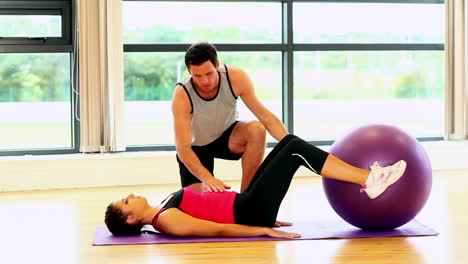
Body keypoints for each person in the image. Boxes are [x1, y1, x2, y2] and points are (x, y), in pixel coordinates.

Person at [105, 134, 407, 238]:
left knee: (290, 143)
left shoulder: (164, 205)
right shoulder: (167, 220)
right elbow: (219, 230)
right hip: (249, 211)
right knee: (295, 150)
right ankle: (368, 179)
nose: (130, 196)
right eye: (126, 202)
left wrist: (265, 216)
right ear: (131, 219)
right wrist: (262, 228)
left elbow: (214, 212)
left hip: (248, 203)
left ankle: (367, 177)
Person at [172, 42, 288, 193]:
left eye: (209, 74)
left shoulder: (236, 78)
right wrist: (208, 178)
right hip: (196, 148)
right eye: (197, 76)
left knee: (256, 129)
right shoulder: (182, 94)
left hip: (226, 137)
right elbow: (183, 148)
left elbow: (266, 117)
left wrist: (291, 143)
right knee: (202, 205)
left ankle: (247, 198)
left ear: (217, 65)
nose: (205, 81)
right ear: (189, 72)